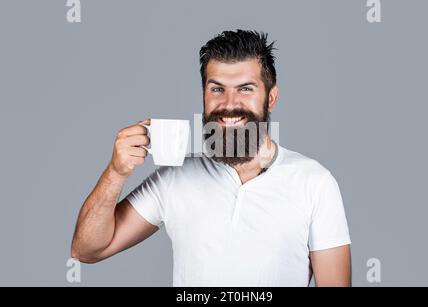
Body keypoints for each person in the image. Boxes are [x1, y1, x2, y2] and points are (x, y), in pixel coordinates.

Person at [71, 30, 351, 287]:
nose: (229, 104)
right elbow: (86, 249)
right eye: (217, 89)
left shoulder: (315, 183)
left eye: (246, 89)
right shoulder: (175, 177)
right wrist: (116, 172)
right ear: (204, 95)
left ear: (271, 97)